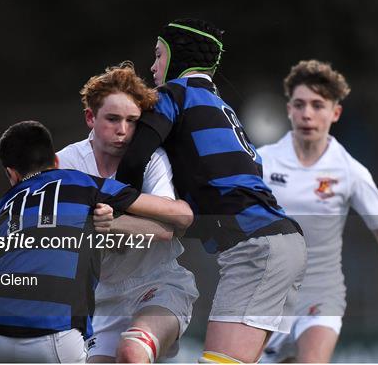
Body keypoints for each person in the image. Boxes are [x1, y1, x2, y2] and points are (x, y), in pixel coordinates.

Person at [115, 19, 307, 363]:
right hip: (284, 242)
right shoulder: (223, 108)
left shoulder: (174, 95)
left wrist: (117, 207)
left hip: (255, 247)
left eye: (158, 56)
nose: (153, 66)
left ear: (177, 56)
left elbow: (135, 157)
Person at [0, 120, 193, 363]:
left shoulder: (3, 206)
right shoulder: (81, 183)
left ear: (11, 174)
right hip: (55, 337)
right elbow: (171, 219)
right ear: (56, 161)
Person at [257, 60, 378, 363]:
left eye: (317, 105)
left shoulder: (349, 170)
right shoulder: (262, 161)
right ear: (288, 110)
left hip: (322, 294)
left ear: (335, 113)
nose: (307, 114)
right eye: (299, 104)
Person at [56, 62, 199, 363]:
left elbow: (166, 230)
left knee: (133, 352)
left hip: (159, 284)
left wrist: (112, 223)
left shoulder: (152, 160)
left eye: (132, 121)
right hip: (102, 300)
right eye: (112, 119)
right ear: (90, 118)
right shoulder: (65, 163)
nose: (122, 130)